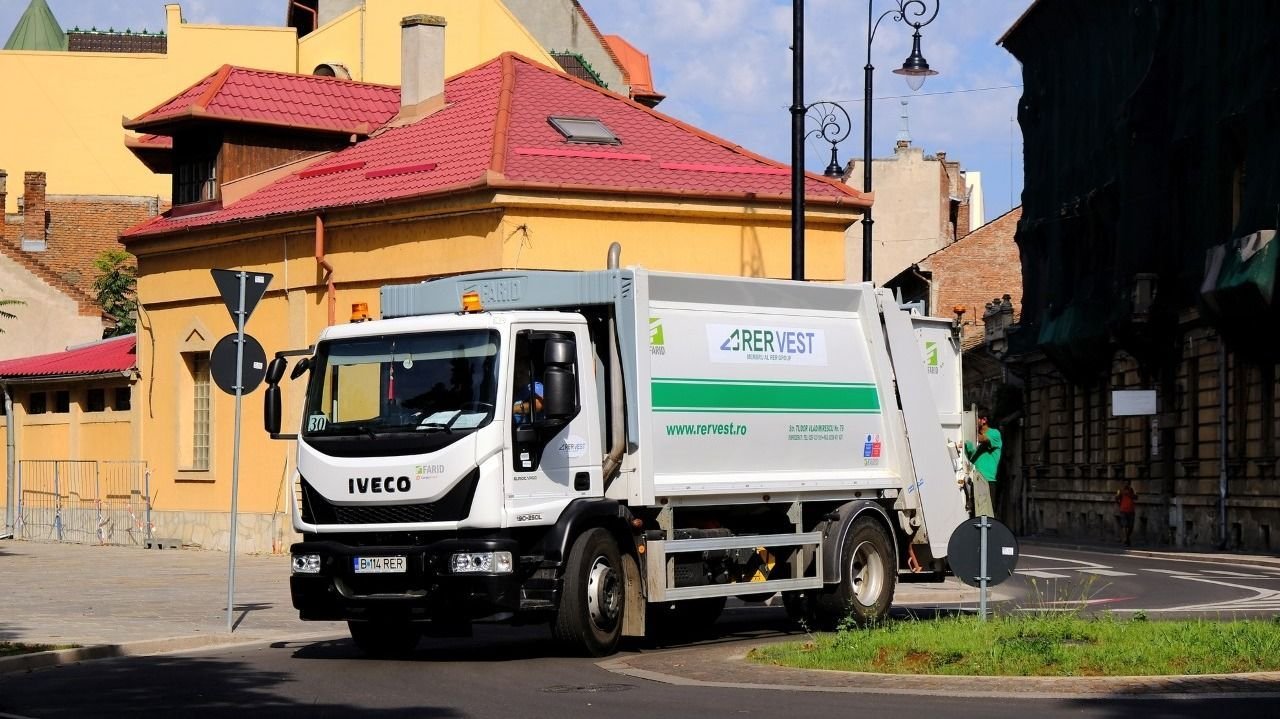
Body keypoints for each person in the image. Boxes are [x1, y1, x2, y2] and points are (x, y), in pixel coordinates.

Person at [964, 416, 1002, 517]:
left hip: (987, 481)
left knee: (987, 516)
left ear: (984, 420)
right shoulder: (973, 438)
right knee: (975, 516)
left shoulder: (994, 433)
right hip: (974, 480)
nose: (973, 422)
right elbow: (970, 456)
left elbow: (984, 439)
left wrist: (969, 434)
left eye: (976, 418)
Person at [1116, 479, 1138, 546]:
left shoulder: (1132, 490)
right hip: (1123, 510)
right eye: (1125, 483)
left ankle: (1127, 538)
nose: (1126, 484)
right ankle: (1125, 539)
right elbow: (1116, 498)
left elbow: (1136, 497)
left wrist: (1132, 494)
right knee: (1125, 525)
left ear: (1130, 484)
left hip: (1131, 510)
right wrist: (1120, 505)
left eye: (1128, 483)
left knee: (1131, 526)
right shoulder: (1120, 490)